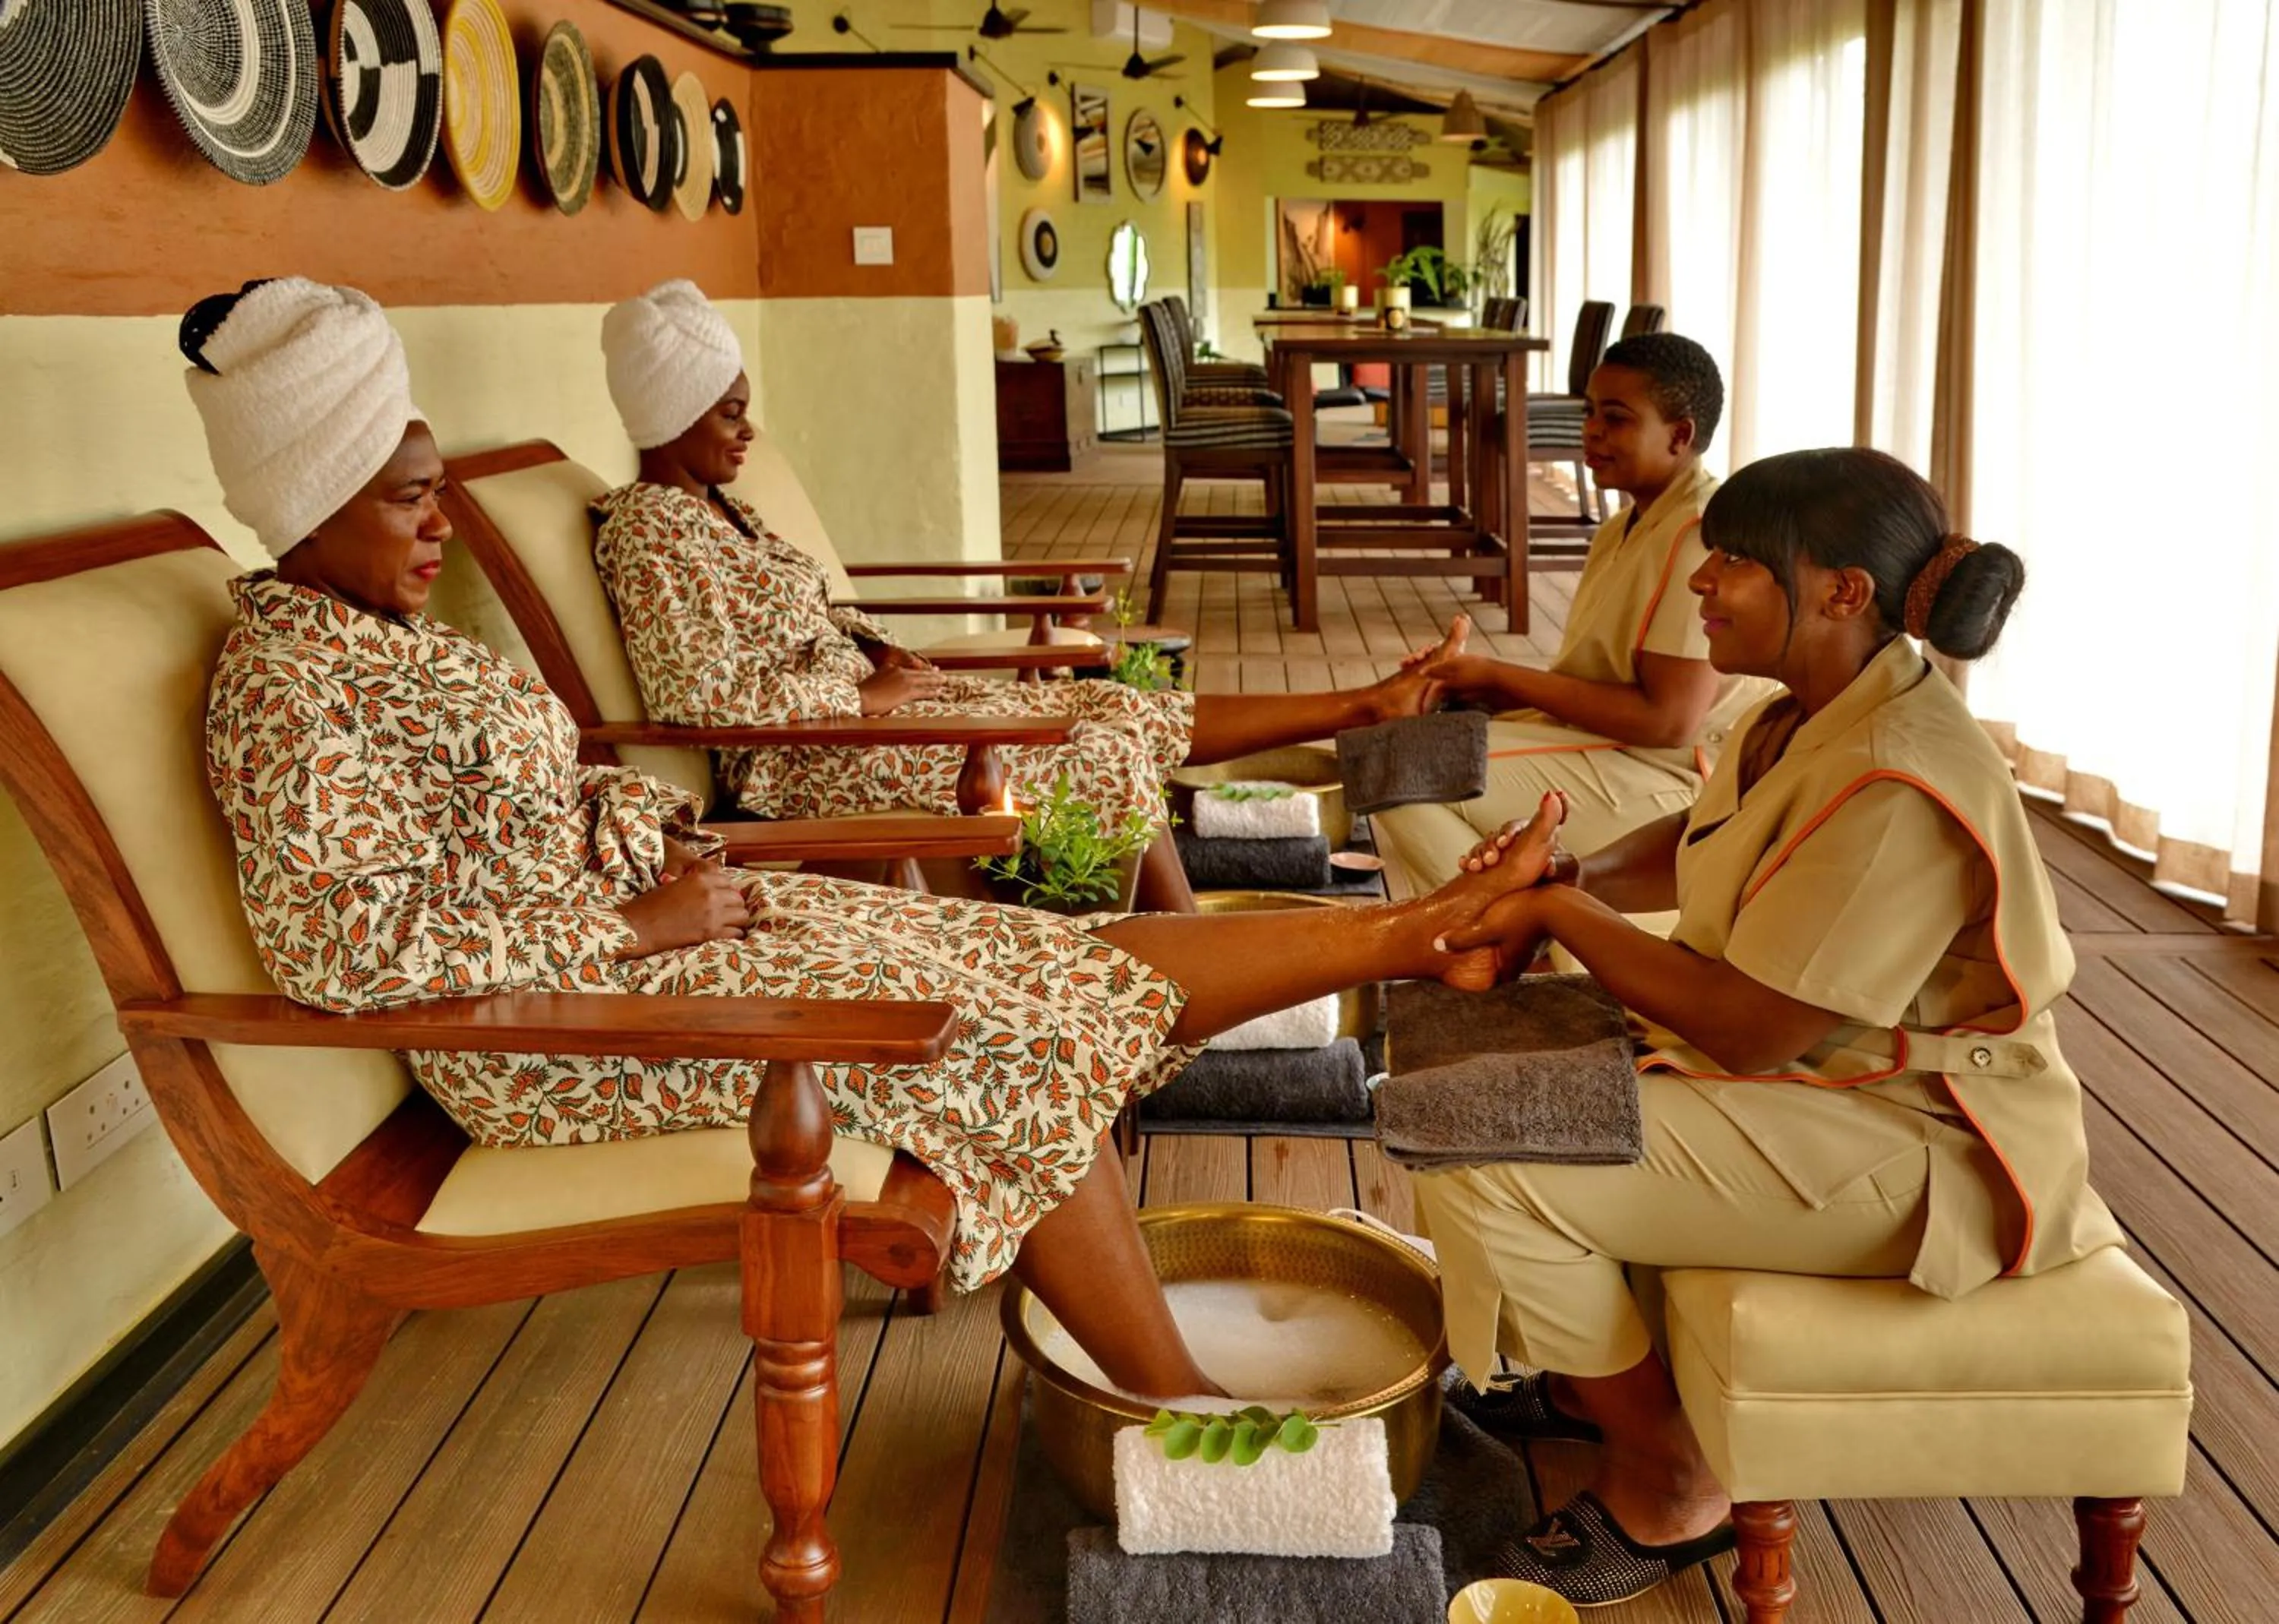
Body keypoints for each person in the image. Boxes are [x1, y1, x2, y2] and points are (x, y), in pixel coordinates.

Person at [183, 277, 1549, 1401]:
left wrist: (662, 848)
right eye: (403, 499)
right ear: (312, 498)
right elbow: (345, 946)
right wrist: (633, 921)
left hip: (638, 945)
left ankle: (1409, 936)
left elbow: (541, 799)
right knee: (996, 1016)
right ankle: (1178, 1397)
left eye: (432, 491)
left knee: (1018, 947)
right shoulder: (285, 688)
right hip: (551, 1029)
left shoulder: (384, 641)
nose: (436, 524)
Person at [1414, 447, 2123, 1606]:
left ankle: (1673, 1469)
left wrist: (1558, 906)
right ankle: (1596, 1371)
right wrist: (1580, 867)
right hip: (1834, 1088)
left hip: (1924, 1143)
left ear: (1845, 591)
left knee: (1480, 1149)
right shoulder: (1809, 709)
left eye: (1738, 561)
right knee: (1473, 1061)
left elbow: (1750, 1030)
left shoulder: (1899, 770)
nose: (1704, 581)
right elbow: (1705, 838)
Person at [589, 280, 1469, 912]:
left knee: (1112, 707)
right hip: (813, 759)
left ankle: (1360, 707)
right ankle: (1184, 968)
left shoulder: (720, 508)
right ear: (671, 416)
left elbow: (793, 621)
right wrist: (858, 695)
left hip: (868, 713)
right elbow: (694, 701)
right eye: (729, 413)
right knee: (1100, 752)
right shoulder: (649, 533)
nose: (750, 429)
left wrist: (873, 650)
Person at [1377, 333, 1775, 896]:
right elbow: (1593, 679)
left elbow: (1669, 723)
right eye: (1590, 412)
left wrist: (1500, 676)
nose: (1591, 430)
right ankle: (1519, 930)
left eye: (1616, 419)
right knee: (1397, 742)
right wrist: (1472, 686)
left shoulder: (1701, 533)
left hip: (1674, 780)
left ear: (1680, 436)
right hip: (1607, 747)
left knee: (1396, 763)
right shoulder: (1623, 526)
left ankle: (1507, 933)